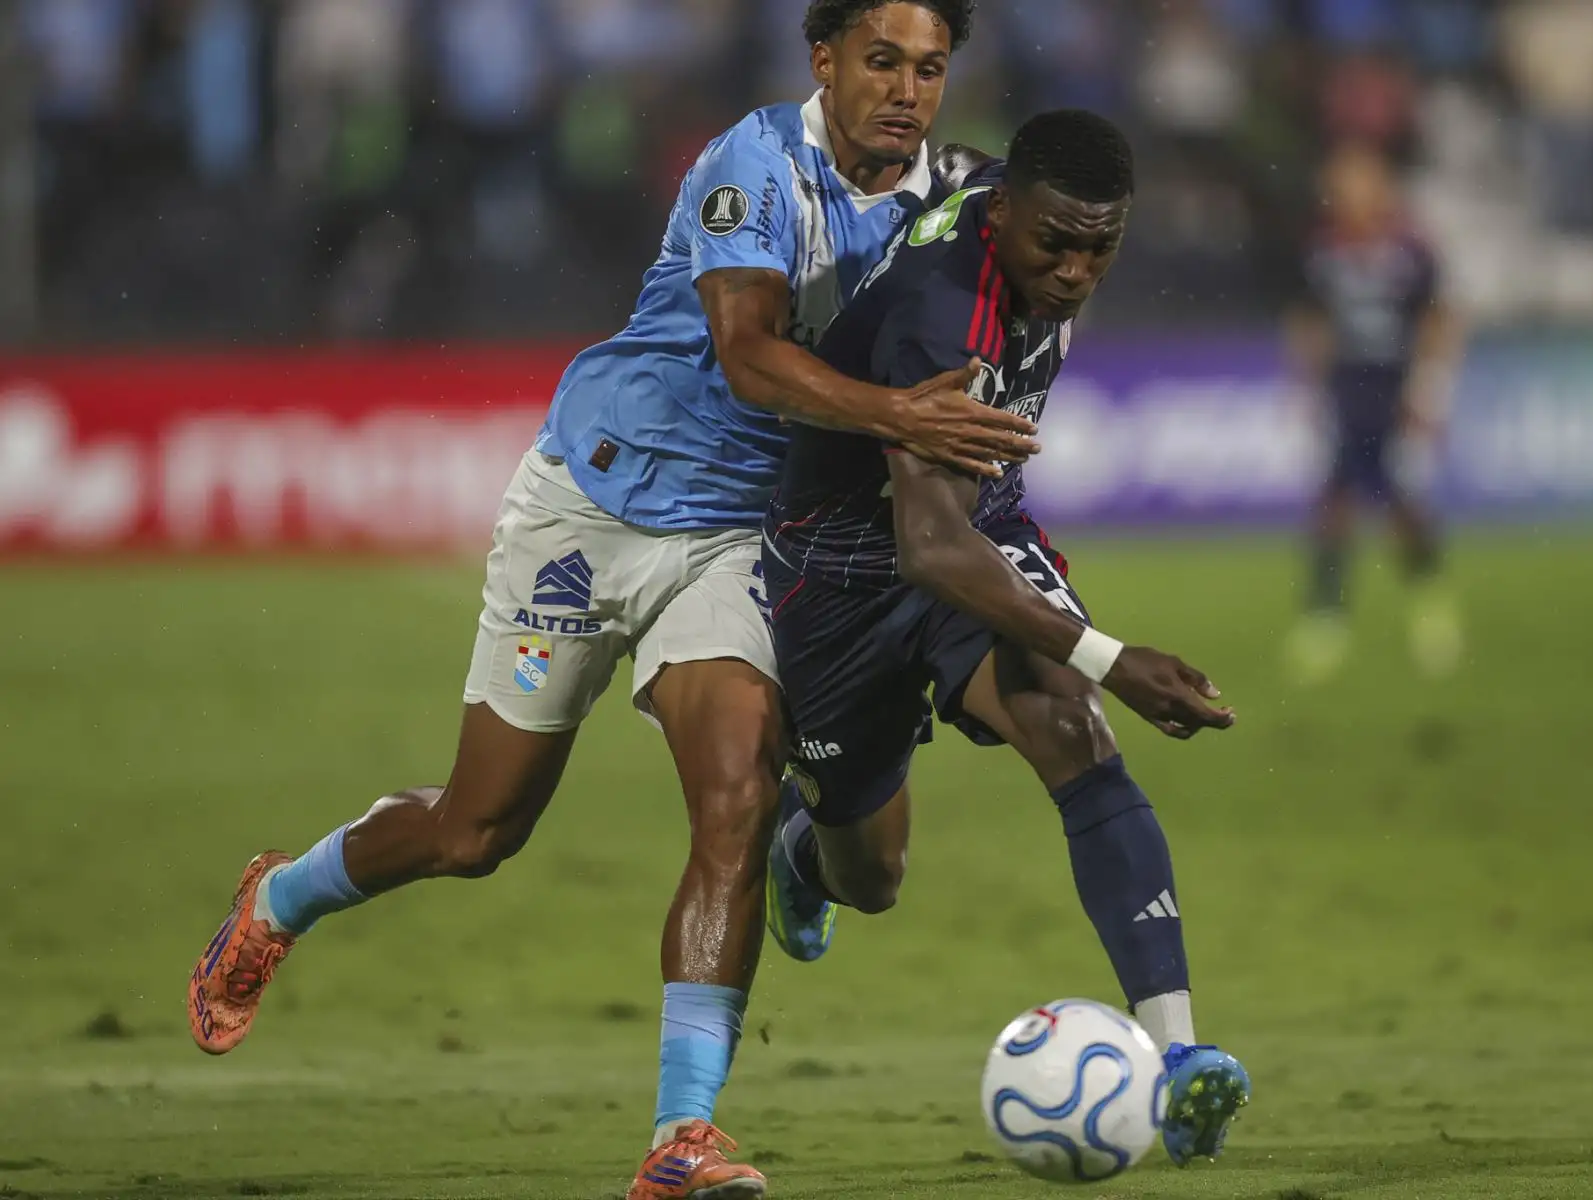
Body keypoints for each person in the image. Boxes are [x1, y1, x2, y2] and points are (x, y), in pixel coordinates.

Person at [186, 4, 1033, 1198]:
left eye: (931, 69)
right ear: (825, 62)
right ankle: (279, 898)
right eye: (882, 61)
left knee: (736, 795)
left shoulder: (948, 201)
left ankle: (677, 1141)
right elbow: (747, 355)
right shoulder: (755, 164)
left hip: (733, 538)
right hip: (590, 508)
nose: (905, 90)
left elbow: (1034, 248)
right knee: (477, 829)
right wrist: (904, 415)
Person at [758, 109, 1252, 1166]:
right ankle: (801, 848)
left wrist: (1086, 670)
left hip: (973, 525)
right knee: (872, 875)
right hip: (842, 578)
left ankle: (1179, 1062)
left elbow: (954, 536)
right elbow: (927, 549)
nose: (1075, 272)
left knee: (1073, 727)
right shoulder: (945, 316)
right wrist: (1116, 657)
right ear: (1008, 216)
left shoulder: (1011, 204)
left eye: (1100, 249)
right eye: (1056, 245)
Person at [1283, 141, 1464, 685]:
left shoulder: (1410, 250)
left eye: (1358, 183)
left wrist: (1431, 389)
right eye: (1340, 186)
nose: (1347, 195)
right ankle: (1326, 617)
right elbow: (1310, 321)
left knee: (1402, 507)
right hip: (1346, 389)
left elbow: (1440, 319)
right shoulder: (1322, 250)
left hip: (1396, 388)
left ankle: (1431, 607)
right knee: (1333, 505)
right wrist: (1306, 389)